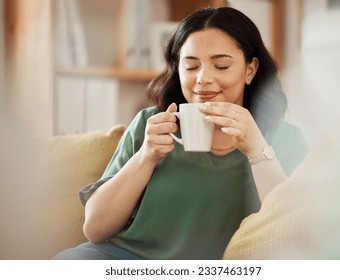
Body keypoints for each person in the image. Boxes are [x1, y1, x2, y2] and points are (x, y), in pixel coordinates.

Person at [53, 7, 308, 260]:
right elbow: (95, 229)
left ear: (249, 70)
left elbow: (295, 237)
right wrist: (146, 157)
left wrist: (257, 151)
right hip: (123, 259)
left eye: (220, 66)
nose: (203, 78)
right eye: (191, 67)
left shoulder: (281, 139)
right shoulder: (150, 123)